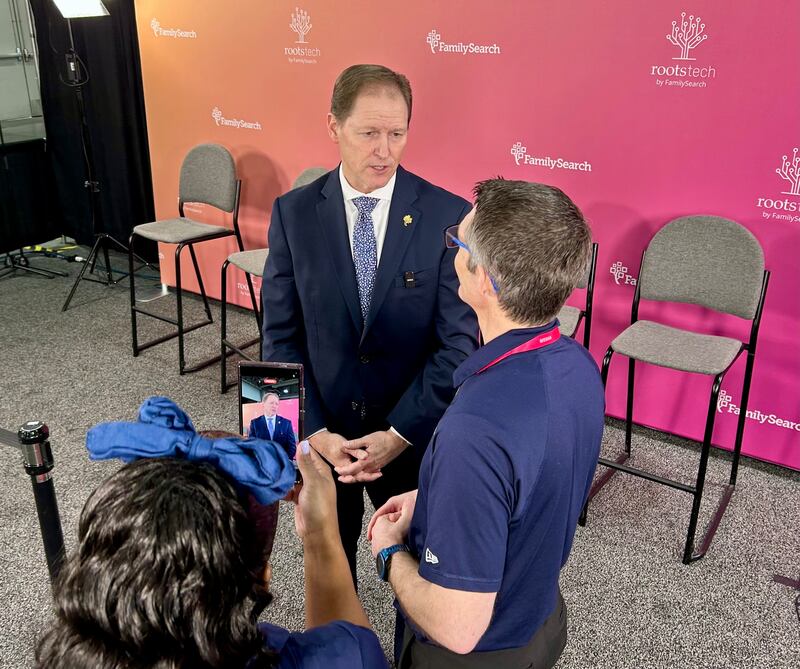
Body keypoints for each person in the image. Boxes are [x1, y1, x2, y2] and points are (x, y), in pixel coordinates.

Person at [367, 179, 605, 668]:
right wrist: (434, 495)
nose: (452, 248)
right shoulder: (579, 367)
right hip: (540, 622)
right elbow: (532, 484)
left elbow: (456, 626)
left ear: (485, 279)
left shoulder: (474, 432)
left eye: (459, 241)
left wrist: (389, 553)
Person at [261, 64, 478, 578]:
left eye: (397, 133)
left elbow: (458, 346)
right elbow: (279, 338)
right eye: (369, 133)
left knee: (422, 570)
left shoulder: (448, 215)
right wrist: (312, 432)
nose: (384, 150)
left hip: (412, 438)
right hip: (325, 434)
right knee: (330, 565)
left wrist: (399, 432)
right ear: (333, 126)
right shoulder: (292, 215)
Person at [35, 397, 389, 669]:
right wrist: (320, 536)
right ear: (261, 578)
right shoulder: (309, 656)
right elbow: (349, 645)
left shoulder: (68, 653)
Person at [249, 391, 298, 458]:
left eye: (276, 404)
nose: (274, 406)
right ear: (263, 404)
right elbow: (252, 445)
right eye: (271, 403)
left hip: (282, 464)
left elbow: (292, 446)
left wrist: (286, 460)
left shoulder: (286, 423)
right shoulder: (255, 423)